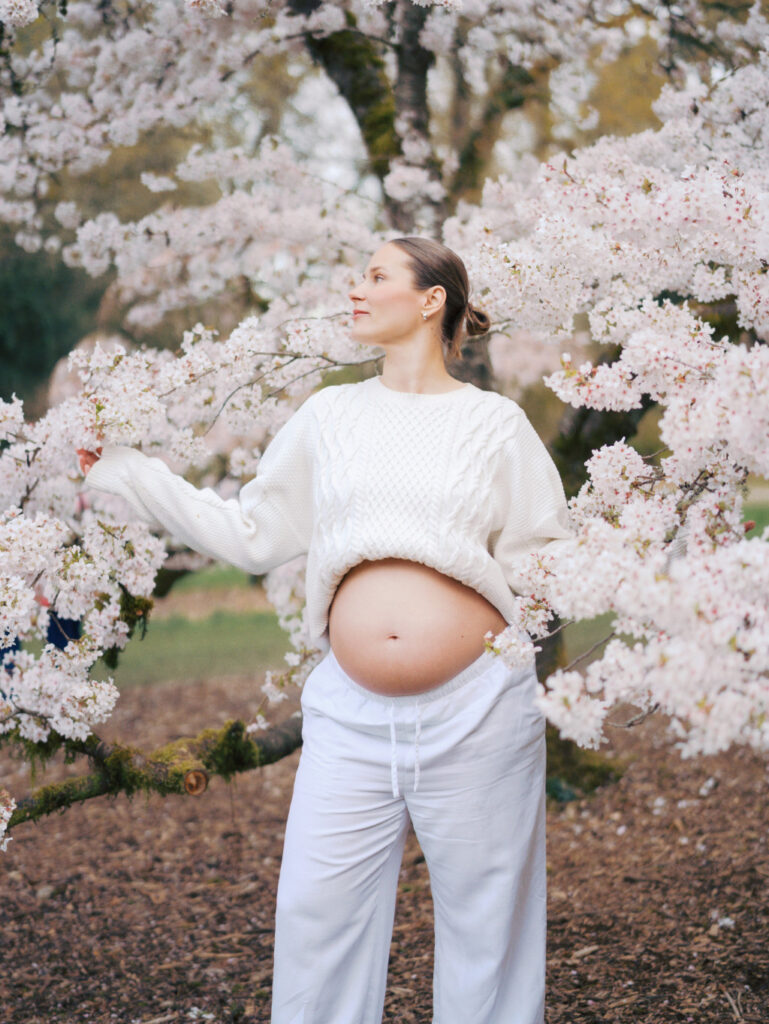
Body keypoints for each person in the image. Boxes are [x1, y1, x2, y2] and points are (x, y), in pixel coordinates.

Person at [78, 236, 573, 1024]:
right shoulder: (328, 415)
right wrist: (127, 470)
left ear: (429, 299)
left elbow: (546, 563)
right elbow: (252, 534)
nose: (354, 289)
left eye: (375, 276)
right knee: (318, 917)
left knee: (489, 930)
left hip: (478, 708)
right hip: (349, 713)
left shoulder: (494, 425)